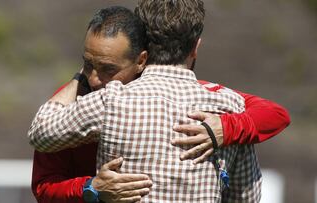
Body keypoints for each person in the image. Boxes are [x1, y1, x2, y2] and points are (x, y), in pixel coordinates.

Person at [28, 2, 290, 203]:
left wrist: (227, 128)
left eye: (108, 69)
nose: (94, 80)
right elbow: (44, 184)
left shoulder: (110, 101)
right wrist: (90, 189)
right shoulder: (224, 102)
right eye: (87, 64)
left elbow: (274, 113)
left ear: (141, 59)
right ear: (195, 47)